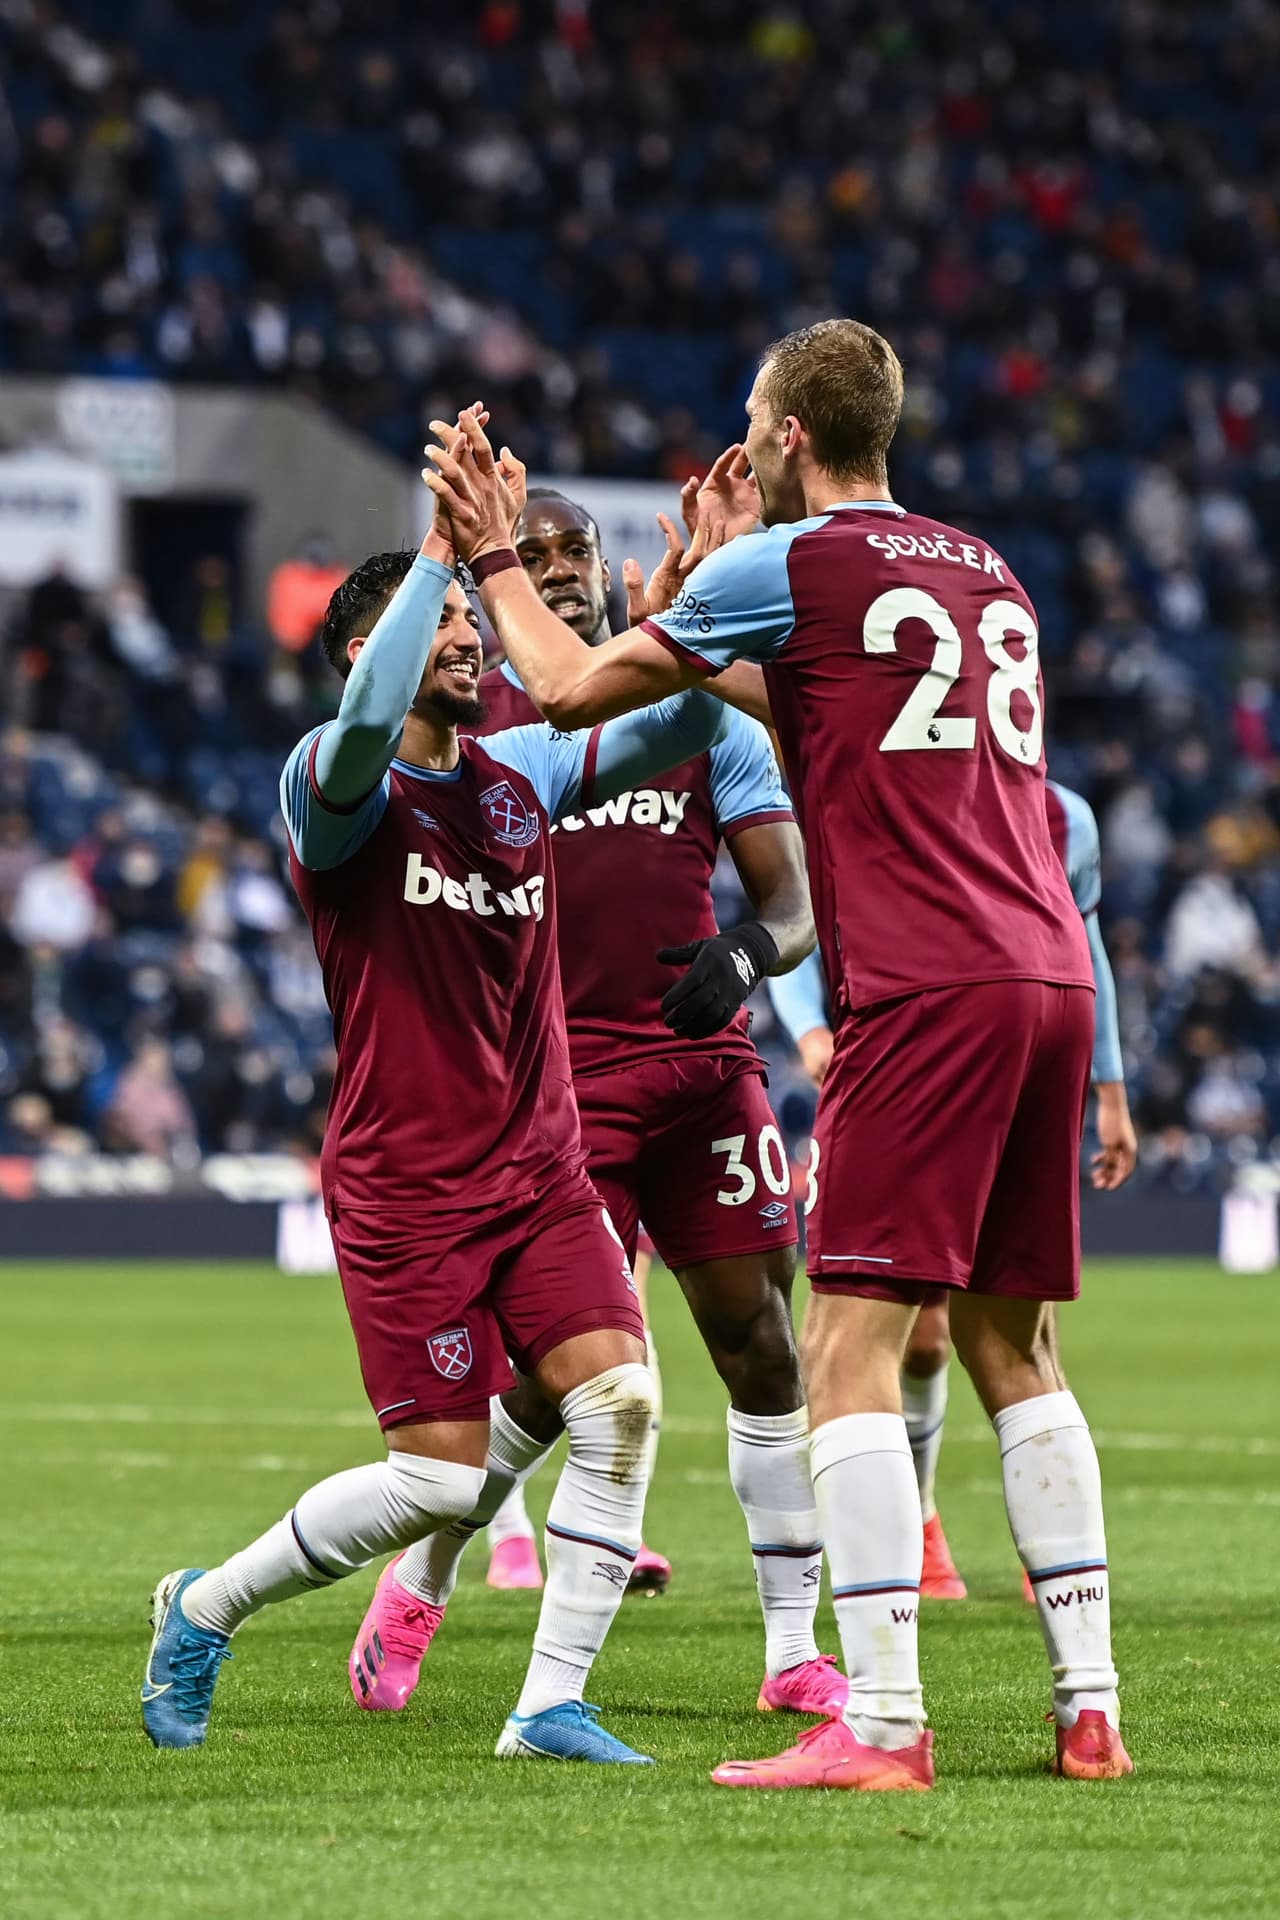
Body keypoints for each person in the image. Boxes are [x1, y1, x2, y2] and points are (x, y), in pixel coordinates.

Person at [423, 325, 1133, 1791]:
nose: (737, 457)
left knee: (843, 1348)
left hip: (927, 987)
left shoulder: (793, 567)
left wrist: (498, 557)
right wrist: (722, 607)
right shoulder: (984, 570)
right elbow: (817, 703)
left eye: (753, 428)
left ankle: (877, 1725)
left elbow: (558, 689)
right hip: (1050, 968)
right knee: (1015, 1346)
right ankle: (1089, 1710)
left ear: (793, 436)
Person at [139, 430, 734, 1766]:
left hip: (541, 1168)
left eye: (474, 620)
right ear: (375, 649)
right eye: (449, 625)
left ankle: (547, 1706)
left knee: (624, 1403)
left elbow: (690, 721)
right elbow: (363, 725)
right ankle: (204, 1605)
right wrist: (441, 552)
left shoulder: (519, 780)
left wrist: (697, 601)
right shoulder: (331, 785)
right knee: (439, 1481)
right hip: (408, 1184)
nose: (474, 641)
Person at [357, 485, 845, 1724]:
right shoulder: (494, 732)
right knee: (554, 1382)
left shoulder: (693, 719)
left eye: (576, 551)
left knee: (764, 1346)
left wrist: (747, 955)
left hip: (702, 1078)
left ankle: (792, 1646)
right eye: (536, 554)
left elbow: (790, 904)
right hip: (556, 1096)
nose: (563, 570)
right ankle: (420, 1582)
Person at [770, 779, 1139, 1601]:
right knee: (924, 1333)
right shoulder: (882, 777)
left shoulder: (1065, 817)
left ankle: (1039, 1556)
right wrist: (810, 1031)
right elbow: (796, 912)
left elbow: (1086, 942)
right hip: (899, 1050)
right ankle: (928, 1526)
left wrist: (1109, 1088)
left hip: (1003, 1050)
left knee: (1010, 1328)